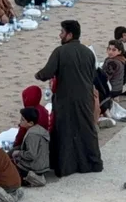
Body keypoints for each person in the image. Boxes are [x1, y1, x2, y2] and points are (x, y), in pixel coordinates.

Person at [35, 20, 104, 177]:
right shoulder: (88, 53)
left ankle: (66, 167)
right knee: (86, 129)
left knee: (65, 131)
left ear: (69, 34)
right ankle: (92, 163)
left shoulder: (60, 51)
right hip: (85, 98)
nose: (60, 35)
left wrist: (38, 75)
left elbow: (46, 73)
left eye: (62, 32)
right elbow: (92, 75)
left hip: (65, 99)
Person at [12, 107, 52, 186]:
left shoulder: (32, 135)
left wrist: (19, 153)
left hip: (36, 167)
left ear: (30, 123)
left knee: (9, 168)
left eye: (23, 120)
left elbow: (31, 155)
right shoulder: (38, 129)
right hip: (42, 164)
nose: (20, 121)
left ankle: (32, 179)